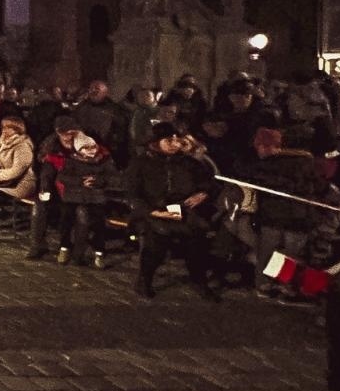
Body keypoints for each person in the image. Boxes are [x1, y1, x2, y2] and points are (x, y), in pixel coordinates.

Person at [125, 122, 217, 298]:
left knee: (197, 239)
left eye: (177, 140)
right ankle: (145, 280)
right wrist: (154, 211)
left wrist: (203, 193)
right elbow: (132, 195)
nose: (175, 144)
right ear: (156, 142)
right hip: (153, 211)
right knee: (155, 240)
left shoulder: (188, 162)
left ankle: (198, 279)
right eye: (169, 140)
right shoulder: (141, 163)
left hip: (183, 209)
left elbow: (210, 182)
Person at [238, 125, 329, 301]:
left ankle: (271, 283)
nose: (262, 149)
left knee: (277, 252)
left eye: (266, 146)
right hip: (285, 217)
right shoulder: (308, 163)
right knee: (280, 253)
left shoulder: (285, 164)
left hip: (286, 217)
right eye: (259, 145)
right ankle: (274, 283)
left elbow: (315, 186)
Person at [53, 133, 120, 267]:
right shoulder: (71, 160)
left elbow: (114, 178)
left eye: (93, 147)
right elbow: (62, 177)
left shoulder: (103, 161)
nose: (91, 150)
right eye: (86, 148)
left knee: (98, 222)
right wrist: (80, 181)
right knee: (67, 218)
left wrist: (97, 181)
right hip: (74, 196)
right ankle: (65, 247)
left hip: (95, 197)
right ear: (78, 149)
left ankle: (99, 252)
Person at [27, 115, 83, 260]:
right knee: (39, 206)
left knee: (74, 210)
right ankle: (37, 245)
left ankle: (71, 249)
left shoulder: (84, 145)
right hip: (56, 189)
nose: (67, 137)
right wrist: (45, 190)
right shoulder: (51, 146)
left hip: (77, 190)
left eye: (70, 133)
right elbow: (45, 172)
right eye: (63, 133)